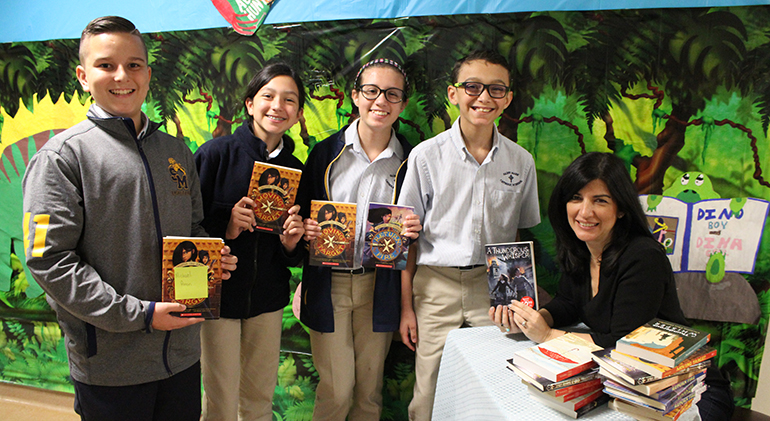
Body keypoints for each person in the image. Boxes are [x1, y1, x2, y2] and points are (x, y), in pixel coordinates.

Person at [21, 16, 236, 421]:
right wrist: (138, 315)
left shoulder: (175, 150)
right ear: (84, 76)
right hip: (111, 365)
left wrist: (210, 258)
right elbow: (49, 261)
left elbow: (192, 229)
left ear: (148, 73)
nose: (123, 76)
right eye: (107, 65)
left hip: (183, 355)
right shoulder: (61, 158)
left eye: (134, 64)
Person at [494, 152, 734, 421]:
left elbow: (622, 343)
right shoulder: (582, 247)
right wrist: (535, 319)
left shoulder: (643, 257)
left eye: (600, 201)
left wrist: (548, 334)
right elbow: (568, 302)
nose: (585, 212)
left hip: (686, 389)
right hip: (627, 385)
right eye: (576, 198)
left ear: (621, 209)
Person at [396, 50, 541, 420]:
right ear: (453, 93)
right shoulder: (426, 157)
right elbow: (404, 237)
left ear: (508, 98)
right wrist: (407, 307)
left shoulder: (520, 162)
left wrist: (523, 297)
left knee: (498, 383)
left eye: (496, 89)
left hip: (495, 286)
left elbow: (521, 232)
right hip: (434, 286)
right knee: (427, 388)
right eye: (472, 87)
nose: (484, 98)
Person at [296, 58, 421, 421]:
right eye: (371, 91)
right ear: (355, 95)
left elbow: (416, 235)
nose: (380, 101)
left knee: (369, 393)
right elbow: (301, 219)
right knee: (336, 390)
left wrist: (412, 231)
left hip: (379, 287)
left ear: (403, 103)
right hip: (328, 285)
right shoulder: (324, 153)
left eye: (392, 94)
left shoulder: (412, 160)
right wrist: (306, 235)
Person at [194, 62, 306, 421]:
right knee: (221, 399)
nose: (278, 106)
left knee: (259, 398)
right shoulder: (215, 155)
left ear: (298, 112)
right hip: (220, 301)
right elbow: (187, 230)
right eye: (268, 96)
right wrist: (224, 228)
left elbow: (295, 256)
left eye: (289, 100)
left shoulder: (297, 169)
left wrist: (291, 242)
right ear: (249, 104)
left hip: (269, 301)